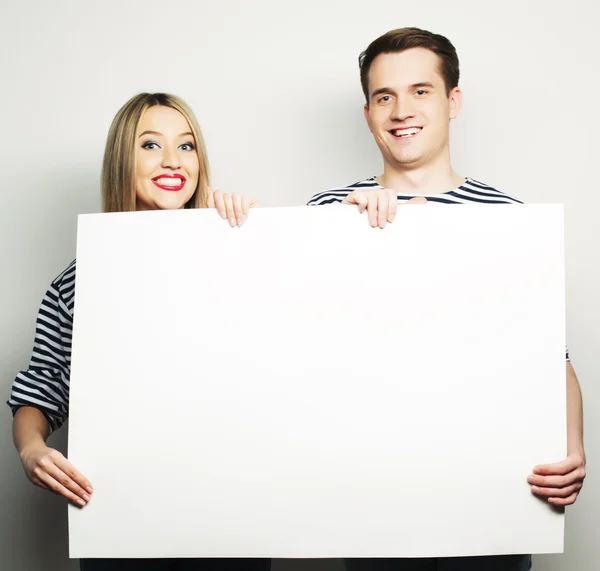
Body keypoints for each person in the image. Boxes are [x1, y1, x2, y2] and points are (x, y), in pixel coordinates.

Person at [308, 27, 586, 571]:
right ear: (367, 114)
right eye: (383, 97)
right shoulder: (324, 215)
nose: (400, 110)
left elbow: (554, 359)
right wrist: (345, 233)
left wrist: (572, 448)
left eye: (420, 91)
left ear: (452, 101)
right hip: (373, 506)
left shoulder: (510, 219)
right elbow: (290, 352)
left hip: (491, 503)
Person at [7, 92, 271, 571]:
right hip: (123, 523)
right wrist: (30, 449)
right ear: (120, 161)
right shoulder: (78, 281)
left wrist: (258, 235)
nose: (172, 160)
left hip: (231, 520)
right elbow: (42, 386)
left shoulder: (243, 255)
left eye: (186, 146)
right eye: (150, 145)